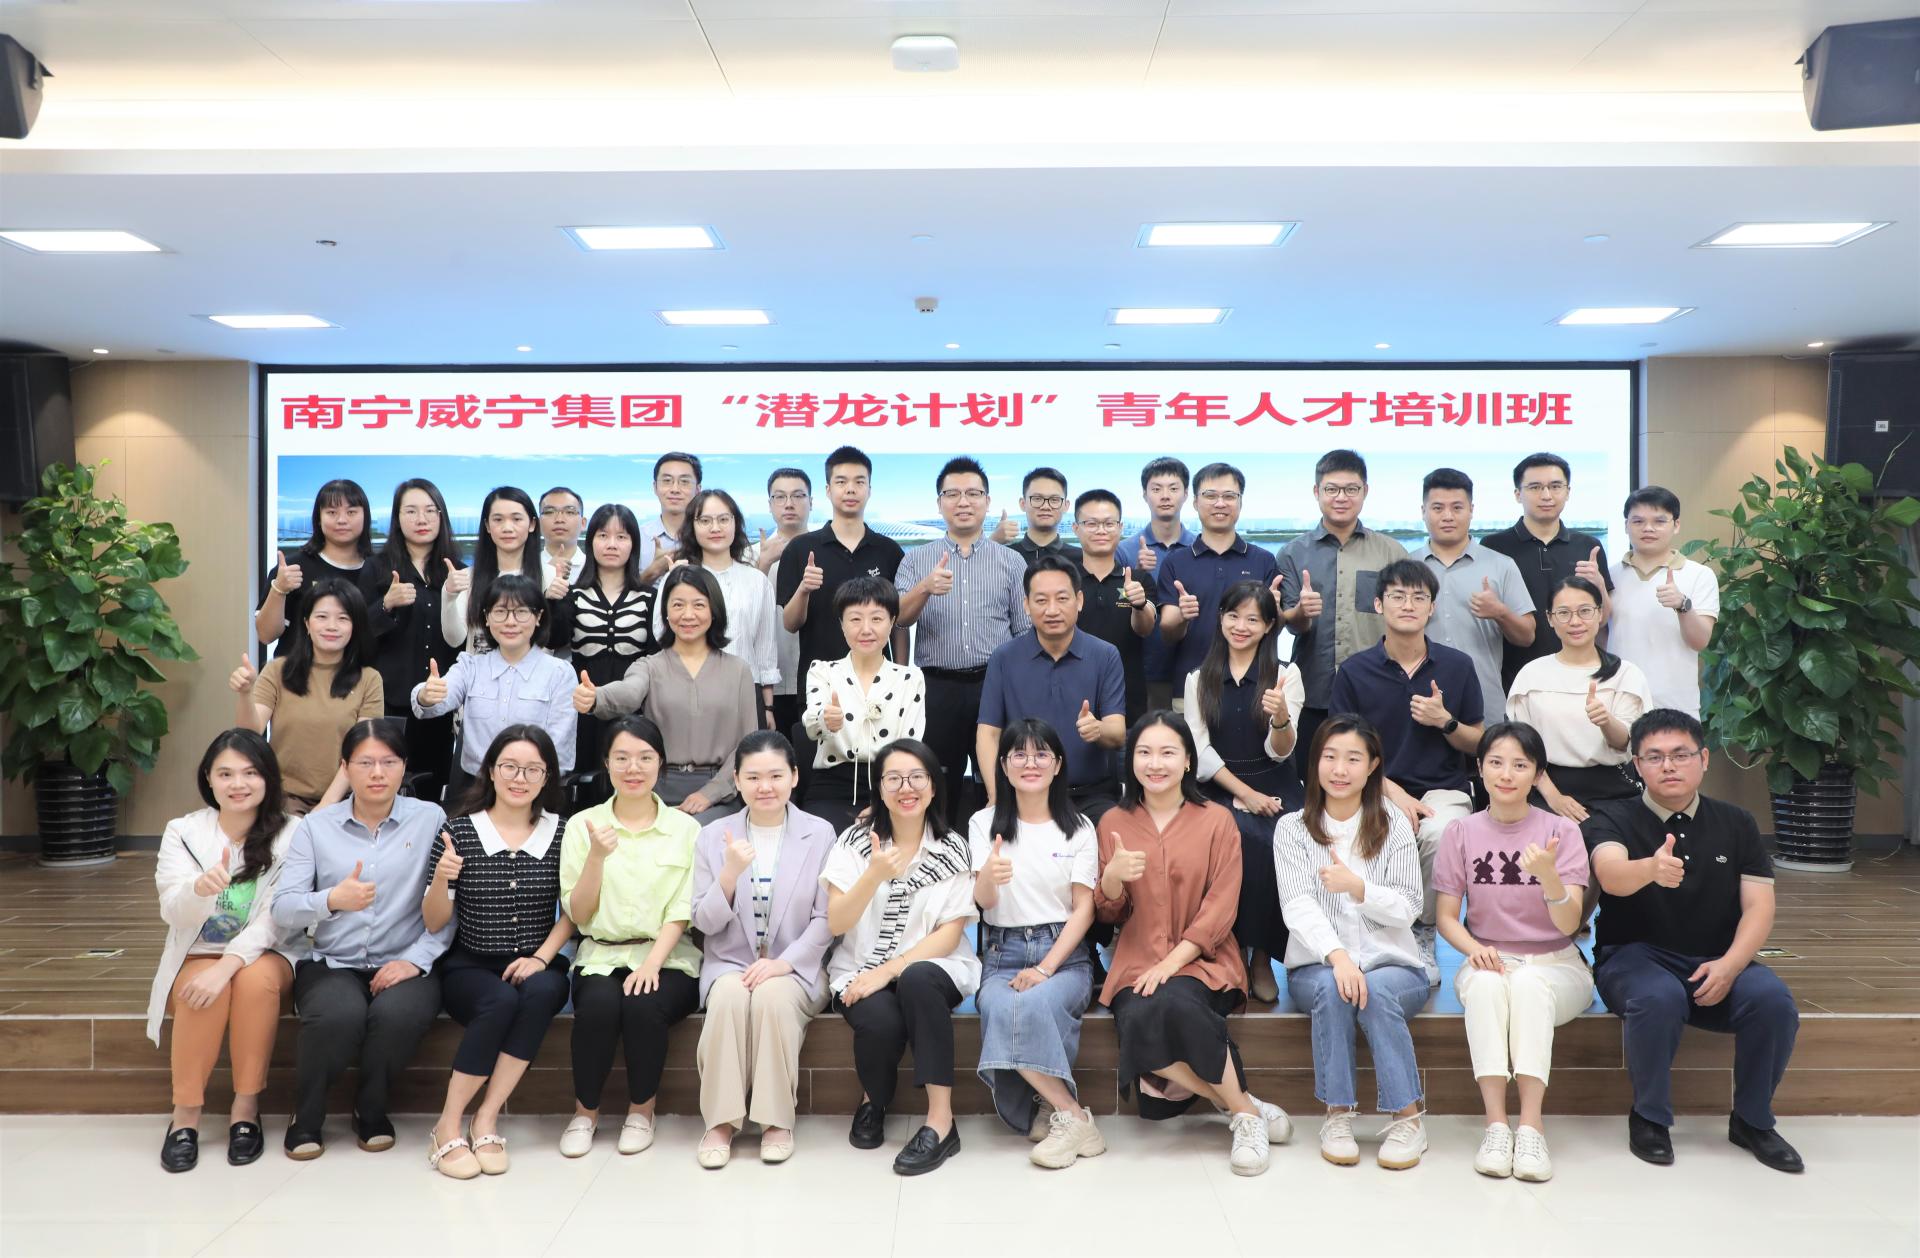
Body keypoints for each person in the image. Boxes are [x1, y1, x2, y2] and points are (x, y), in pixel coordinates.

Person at [1585, 709, 1803, 1173]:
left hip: (1716, 957)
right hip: (1633, 957)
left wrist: (1732, 964)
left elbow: (1759, 906)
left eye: (1681, 754)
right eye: (1654, 756)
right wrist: (1650, 868)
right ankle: (1649, 1117)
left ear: (1703, 759)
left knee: (1772, 1000)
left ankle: (1752, 1120)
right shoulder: (1612, 817)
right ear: (1637, 765)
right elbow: (1611, 874)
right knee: (1657, 997)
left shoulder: (1737, 822)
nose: (1668, 766)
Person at [1095, 712, 1291, 1177]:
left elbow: (1222, 907)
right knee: (1139, 1014)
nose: (1155, 763)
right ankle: (1244, 1107)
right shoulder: (1113, 822)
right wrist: (1112, 880)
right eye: (1144, 752)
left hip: (1204, 960)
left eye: (1168, 752)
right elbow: (1108, 914)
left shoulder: (1217, 820)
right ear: (1131, 760)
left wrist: (1173, 962)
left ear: (1188, 761)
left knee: (1176, 1002)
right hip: (1137, 960)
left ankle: (1242, 1114)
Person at [271, 718, 451, 1159]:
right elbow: (283, 908)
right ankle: (306, 1116)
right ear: (345, 768)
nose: (377, 773)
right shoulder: (315, 827)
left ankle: (370, 1109)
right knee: (337, 1015)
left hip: (404, 956)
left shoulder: (430, 819)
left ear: (404, 767)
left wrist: (416, 960)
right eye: (365, 763)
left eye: (389, 762)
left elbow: (447, 903)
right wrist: (332, 900)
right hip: (332, 960)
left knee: (399, 1015)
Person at [1432, 722, 1594, 1182]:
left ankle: (1531, 1126)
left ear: (1538, 774)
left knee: (1528, 985)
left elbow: (1569, 924)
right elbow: (1446, 917)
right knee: (1486, 986)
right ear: (1480, 768)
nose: (1507, 774)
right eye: (1496, 763)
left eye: (1520, 765)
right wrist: (1476, 950)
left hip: (1556, 964)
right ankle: (1496, 1126)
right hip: (1489, 957)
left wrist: (1550, 876)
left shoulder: (1562, 831)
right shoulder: (1460, 831)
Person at [1274, 715, 1430, 1171]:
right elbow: (1297, 906)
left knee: (1375, 991)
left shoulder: (1394, 824)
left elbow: (1410, 906)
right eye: (1329, 757)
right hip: (1317, 966)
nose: (1339, 769)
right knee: (1334, 987)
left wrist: (1358, 887)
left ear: (1373, 765)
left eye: (1353, 759)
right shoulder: (1292, 829)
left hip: (1394, 965)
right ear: (1315, 762)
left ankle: (1408, 1119)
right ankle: (1337, 1114)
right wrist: (1338, 957)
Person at [419, 725, 574, 1180]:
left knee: (543, 991)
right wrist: (442, 878)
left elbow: (575, 910)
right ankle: (447, 1124)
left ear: (547, 777)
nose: (519, 778)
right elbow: (434, 921)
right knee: (501, 1000)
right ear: (490, 770)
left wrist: (541, 958)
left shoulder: (562, 832)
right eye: (509, 766)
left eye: (532, 769)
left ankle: (485, 1119)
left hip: (537, 957)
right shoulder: (459, 831)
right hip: (471, 964)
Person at [148, 730, 304, 1173]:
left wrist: (226, 967)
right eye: (226, 774)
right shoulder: (183, 832)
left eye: (251, 773)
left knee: (253, 983)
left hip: (266, 952)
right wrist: (198, 890)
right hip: (196, 949)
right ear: (208, 779)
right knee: (199, 990)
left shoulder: (293, 833)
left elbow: (276, 918)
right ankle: (186, 1115)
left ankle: (245, 1108)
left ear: (268, 778)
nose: (239, 784)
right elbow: (172, 911)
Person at [824, 739, 979, 1175]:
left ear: (933, 787)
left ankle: (941, 1122)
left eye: (916, 778)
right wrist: (874, 875)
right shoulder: (854, 843)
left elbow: (950, 934)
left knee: (917, 979)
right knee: (880, 1021)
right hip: (859, 966)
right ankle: (874, 1099)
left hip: (935, 966)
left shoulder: (954, 848)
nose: (905, 788)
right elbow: (837, 922)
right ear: (879, 787)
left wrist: (890, 970)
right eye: (893, 778)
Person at [1328, 558, 1485, 983]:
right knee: (1389, 826)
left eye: (1419, 597)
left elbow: (1479, 743)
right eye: (1397, 596)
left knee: (1441, 831)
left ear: (1432, 607)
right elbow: (1341, 750)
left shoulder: (1457, 666)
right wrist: (1391, 791)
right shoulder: (1354, 671)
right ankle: (1379, 931)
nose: (1408, 605)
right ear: (1379, 604)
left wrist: (1445, 721)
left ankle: (1422, 933)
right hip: (1374, 786)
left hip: (1444, 788)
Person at [557, 715, 703, 1159]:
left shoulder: (686, 829)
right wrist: (596, 858)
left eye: (644, 757)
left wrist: (651, 964)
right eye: (621, 758)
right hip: (600, 955)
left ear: (661, 763)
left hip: (669, 957)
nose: (633, 768)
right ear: (606, 763)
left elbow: (683, 909)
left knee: (643, 1005)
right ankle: (585, 1114)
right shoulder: (582, 825)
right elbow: (579, 913)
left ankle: (642, 1111)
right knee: (598, 1007)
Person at [689, 732, 836, 1168]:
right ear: (736, 780)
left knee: (772, 997)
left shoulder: (820, 833)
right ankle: (721, 1121)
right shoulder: (712, 836)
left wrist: (783, 964)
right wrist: (729, 874)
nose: (765, 786)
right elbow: (704, 922)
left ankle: (776, 1121)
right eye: (753, 777)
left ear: (794, 777)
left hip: (797, 966)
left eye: (775, 775)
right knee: (730, 997)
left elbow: (827, 919)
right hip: (730, 963)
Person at [968, 720, 1101, 1168]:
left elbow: (1084, 909)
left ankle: (1053, 1110)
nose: (1031, 763)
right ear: (1003, 766)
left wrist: (1045, 968)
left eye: (1041, 754)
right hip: (1002, 955)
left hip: (1063, 956)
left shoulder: (1079, 827)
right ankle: (1073, 1115)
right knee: (999, 1005)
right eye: (1019, 755)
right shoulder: (983, 823)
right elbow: (983, 904)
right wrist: (988, 878)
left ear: (1058, 764)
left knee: (1034, 1003)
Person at [1183, 579, 1303, 1003]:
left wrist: (1281, 719)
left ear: (1269, 626)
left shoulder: (1285, 674)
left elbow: (1281, 750)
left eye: (1253, 619)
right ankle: (1231, 950)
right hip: (1219, 784)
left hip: (1275, 782)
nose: (1241, 626)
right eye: (1233, 616)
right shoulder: (1199, 678)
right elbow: (1199, 752)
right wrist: (1243, 795)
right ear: (1220, 619)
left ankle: (1263, 956)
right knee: (1236, 834)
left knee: (1277, 840)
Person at [895, 457, 1030, 813]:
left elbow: (1024, 632)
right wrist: (925, 587)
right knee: (938, 787)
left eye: (973, 493)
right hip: (936, 689)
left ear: (987, 501)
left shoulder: (1011, 562)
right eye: (952, 494)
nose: (963, 502)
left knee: (999, 784)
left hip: (996, 684)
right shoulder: (916, 560)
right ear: (939, 503)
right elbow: (899, 619)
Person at [574, 565, 757, 816]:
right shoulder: (649, 666)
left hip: (719, 794)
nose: (688, 615)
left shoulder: (738, 670)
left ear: (714, 611)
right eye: (678, 605)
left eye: (699, 605)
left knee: (696, 831)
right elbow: (629, 692)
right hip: (654, 788)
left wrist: (711, 793)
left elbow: (748, 745)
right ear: (666, 613)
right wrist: (596, 697)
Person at [1276, 449, 1409, 771]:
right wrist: (1301, 612)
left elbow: (1407, 620)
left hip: (1378, 689)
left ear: (1365, 491)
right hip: (1312, 690)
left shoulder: (1391, 552)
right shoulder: (1292, 553)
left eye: (1351, 489)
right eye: (1332, 489)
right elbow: (1291, 625)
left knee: (1378, 778)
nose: (1341, 497)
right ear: (1316, 491)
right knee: (1313, 779)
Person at [976, 555, 1126, 819]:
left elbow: (1117, 732)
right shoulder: (1004, 658)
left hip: (1091, 796)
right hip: (1023, 795)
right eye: (1041, 600)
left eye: (1062, 598)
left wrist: (1098, 729)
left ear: (1079, 601)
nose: (1052, 610)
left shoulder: (1105, 654)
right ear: (1026, 605)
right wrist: (995, 795)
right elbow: (988, 734)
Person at [412, 572, 577, 800]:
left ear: (538, 616)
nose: (510, 622)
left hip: (535, 790)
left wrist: (524, 778)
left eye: (521, 612)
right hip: (475, 789)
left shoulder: (560, 673)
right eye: (500, 612)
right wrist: (425, 695)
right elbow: (434, 704)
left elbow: (560, 750)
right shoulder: (470, 666)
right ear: (486, 618)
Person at [1506, 577, 1652, 823]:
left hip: (1614, 789)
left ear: (1600, 613)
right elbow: (1522, 747)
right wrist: (1554, 797)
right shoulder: (1531, 675)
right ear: (1550, 618)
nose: (1575, 622)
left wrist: (1606, 721)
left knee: (1609, 841)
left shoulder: (1626, 674)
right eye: (1563, 613)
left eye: (1585, 611)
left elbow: (1626, 743)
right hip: (1545, 788)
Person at [230, 579, 383, 813]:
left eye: (343, 619)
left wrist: (326, 806)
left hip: (345, 801)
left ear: (355, 627)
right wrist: (245, 694)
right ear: (307, 624)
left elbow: (362, 752)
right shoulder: (277, 670)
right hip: (282, 798)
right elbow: (249, 732)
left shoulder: (369, 679)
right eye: (321, 617)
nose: (331, 626)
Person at [777, 446, 906, 701]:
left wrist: (901, 674)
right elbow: (790, 624)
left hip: (880, 686)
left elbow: (898, 622)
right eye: (841, 482)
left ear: (869, 489)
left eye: (859, 482)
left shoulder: (889, 551)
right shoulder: (800, 549)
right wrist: (804, 589)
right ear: (828, 490)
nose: (850, 489)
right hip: (820, 684)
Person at [1411, 468, 1537, 725]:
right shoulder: (1406, 567)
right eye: (1437, 508)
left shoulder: (1501, 565)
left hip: (1484, 701)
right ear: (1423, 511)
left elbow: (1527, 636)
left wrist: (1500, 612)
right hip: (1419, 701)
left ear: (1471, 510)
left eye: (1457, 508)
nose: (1448, 516)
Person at [800, 577, 925, 833]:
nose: (866, 629)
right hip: (831, 785)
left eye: (876, 619)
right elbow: (812, 726)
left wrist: (883, 803)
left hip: (892, 785)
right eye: (855, 619)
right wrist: (826, 720)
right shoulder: (822, 671)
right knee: (822, 839)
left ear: (892, 621)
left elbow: (910, 748)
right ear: (841, 624)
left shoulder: (910, 678)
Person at [1482, 453, 1614, 693]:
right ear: (1517, 494)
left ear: (1568, 491)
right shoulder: (1494, 546)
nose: (1546, 495)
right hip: (1513, 678)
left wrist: (1599, 585)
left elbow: (1602, 619)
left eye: (1555, 486)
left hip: (1580, 677)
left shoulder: (1588, 546)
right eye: (1535, 487)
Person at [371, 478, 464, 798]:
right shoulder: (376, 568)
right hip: (390, 702)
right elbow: (355, 632)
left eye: (429, 510)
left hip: (439, 703)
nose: (421, 519)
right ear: (397, 518)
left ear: (441, 516)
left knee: (432, 790)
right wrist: (386, 604)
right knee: (384, 786)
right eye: (410, 511)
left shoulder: (457, 572)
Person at [1154, 462, 1279, 698]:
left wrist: (1277, 609)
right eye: (1210, 495)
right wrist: (1182, 616)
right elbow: (1168, 632)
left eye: (1229, 496)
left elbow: (1273, 627)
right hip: (1192, 687)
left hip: (1256, 689)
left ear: (1240, 502)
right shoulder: (1176, 562)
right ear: (1195, 502)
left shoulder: (1264, 560)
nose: (1220, 503)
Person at [657, 488, 780, 723]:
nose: (715, 528)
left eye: (723, 519)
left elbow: (765, 649)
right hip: (686, 690)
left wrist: (768, 707)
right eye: (705, 521)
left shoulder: (757, 581)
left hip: (745, 691)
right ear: (692, 527)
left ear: (736, 523)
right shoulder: (676, 578)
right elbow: (660, 634)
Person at [561, 503, 658, 774]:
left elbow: (657, 658)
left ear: (634, 544)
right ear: (590, 542)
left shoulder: (650, 598)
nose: (612, 544)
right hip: (582, 713)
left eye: (621, 537)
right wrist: (554, 598)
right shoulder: (573, 595)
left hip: (636, 714)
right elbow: (554, 639)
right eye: (603, 535)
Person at [1607, 487, 1720, 717]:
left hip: (1675, 703)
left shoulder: (1699, 575)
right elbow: (1600, 637)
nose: (1648, 528)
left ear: (1676, 525)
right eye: (1638, 521)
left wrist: (1682, 605)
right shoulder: (1610, 576)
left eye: (1659, 521)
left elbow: (1700, 641)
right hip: (1618, 701)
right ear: (1626, 525)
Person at [255, 478, 388, 655]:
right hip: (297, 671)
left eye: (351, 512)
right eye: (332, 512)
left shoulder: (381, 570)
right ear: (318, 518)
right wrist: (279, 589)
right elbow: (265, 635)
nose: (342, 520)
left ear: (366, 517)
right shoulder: (293, 569)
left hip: (359, 672)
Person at [1116, 457, 1196, 712]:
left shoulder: (1200, 548)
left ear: (1186, 494)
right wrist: (1140, 574)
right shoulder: (1125, 550)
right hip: (1142, 670)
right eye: (1156, 488)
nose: (1165, 496)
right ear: (1144, 494)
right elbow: (1116, 608)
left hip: (1193, 670)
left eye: (1173, 488)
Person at [1071, 488, 1155, 727]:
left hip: (1127, 700)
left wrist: (1139, 604)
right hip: (1072, 695)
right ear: (1076, 528)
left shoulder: (1139, 579)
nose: (1101, 530)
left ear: (1120, 527)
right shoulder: (1064, 579)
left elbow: (1145, 628)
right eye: (1091, 523)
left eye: (1109, 523)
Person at [442, 487, 547, 654]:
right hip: (480, 670)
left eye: (516, 519)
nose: (507, 528)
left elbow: (552, 641)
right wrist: (449, 595)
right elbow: (454, 640)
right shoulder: (467, 577)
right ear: (487, 525)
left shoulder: (549, 576)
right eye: (498, 519)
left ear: (532, 524)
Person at [758, 468, 814, 738]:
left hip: (818, 678)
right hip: (769, 682)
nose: (788, 504)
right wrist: (763, 563)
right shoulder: (751, 554)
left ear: (811, 502)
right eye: (779, 497)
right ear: (769, 504)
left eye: (798, 496)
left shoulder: (826, 549)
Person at [636, 452, 702, 582]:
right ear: (655, 487)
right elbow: (619, 591)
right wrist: (652, 572)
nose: (675, 489)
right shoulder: (638, 537)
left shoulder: (709, 536)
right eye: (667, 481)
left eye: (684, 482)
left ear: (698, 489)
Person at [1004, 467, 1083, 567]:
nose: (1045, 506)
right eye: (1037, 498)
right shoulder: (1004, 556)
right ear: (1023, 504)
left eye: (1054, 499)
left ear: (1066, 506)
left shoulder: (1082, 559)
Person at [537, 485, 587, 598]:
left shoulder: (595, 568)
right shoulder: (525, 567)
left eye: (569, 512)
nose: (559, 519)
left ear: (583, 523)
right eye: (549, 512)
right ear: (538, 523)